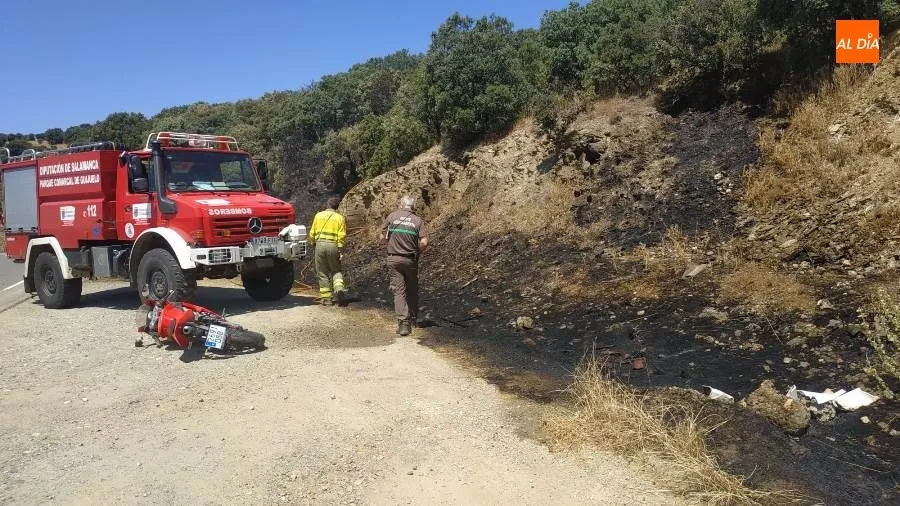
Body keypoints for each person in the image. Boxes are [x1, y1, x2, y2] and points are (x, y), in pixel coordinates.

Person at [380, 195, 428, 336]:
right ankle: (414, 317)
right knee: (412, 288)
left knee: (399, 291)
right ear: (412, 207)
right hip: (410, 260)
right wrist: (417, 251)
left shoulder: (392, 217)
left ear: (401, 205)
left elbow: (382, 236)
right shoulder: (418, 221)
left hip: (394, 259)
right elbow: (424, 242)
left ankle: (403, 324)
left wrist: (389, 245)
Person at [309, 196, 347, 305]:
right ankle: (339, 288)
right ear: (337, 207)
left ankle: (327, 299)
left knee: (322, 272)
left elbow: (312, 233)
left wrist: (313, 243)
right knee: (336, 270)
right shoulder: (340, 218)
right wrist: (340, 249)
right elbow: (342, 236)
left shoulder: (318, 215)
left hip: (320, 245)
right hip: (333, 246)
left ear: (327, 205)